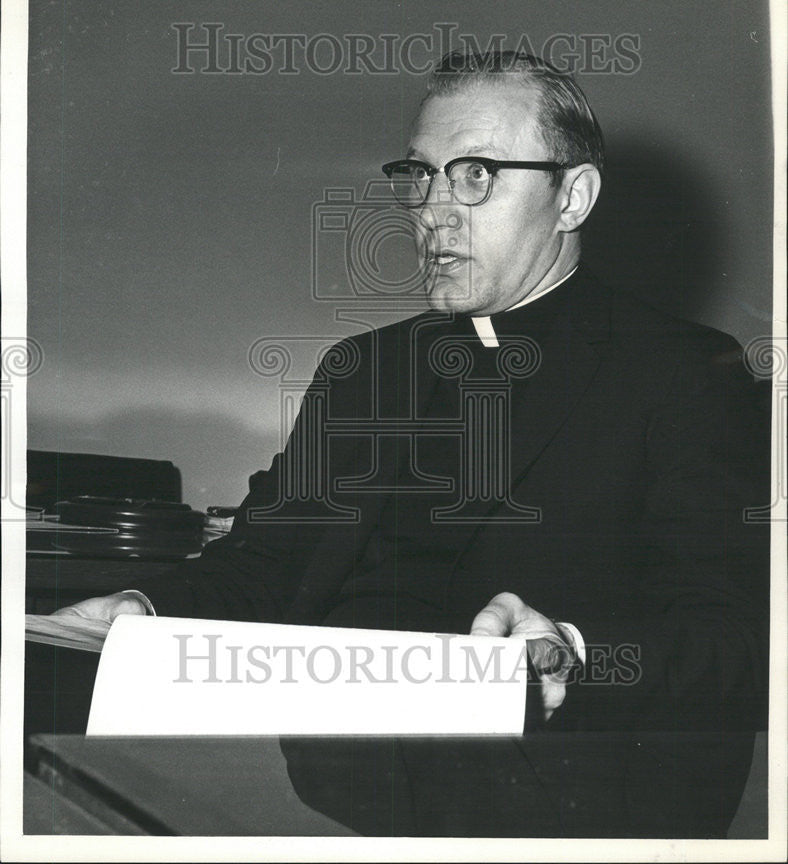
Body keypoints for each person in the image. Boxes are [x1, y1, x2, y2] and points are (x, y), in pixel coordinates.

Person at [57, 50, 770, 837]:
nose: (432, 209)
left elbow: (735, 640)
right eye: (421, 175)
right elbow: (265, 563)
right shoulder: (364, 371)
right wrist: (144, 607)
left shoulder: (682, 375)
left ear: (573, 196)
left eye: (475, 175)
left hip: (545, 809)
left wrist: (575, 650)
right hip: (325, 793)